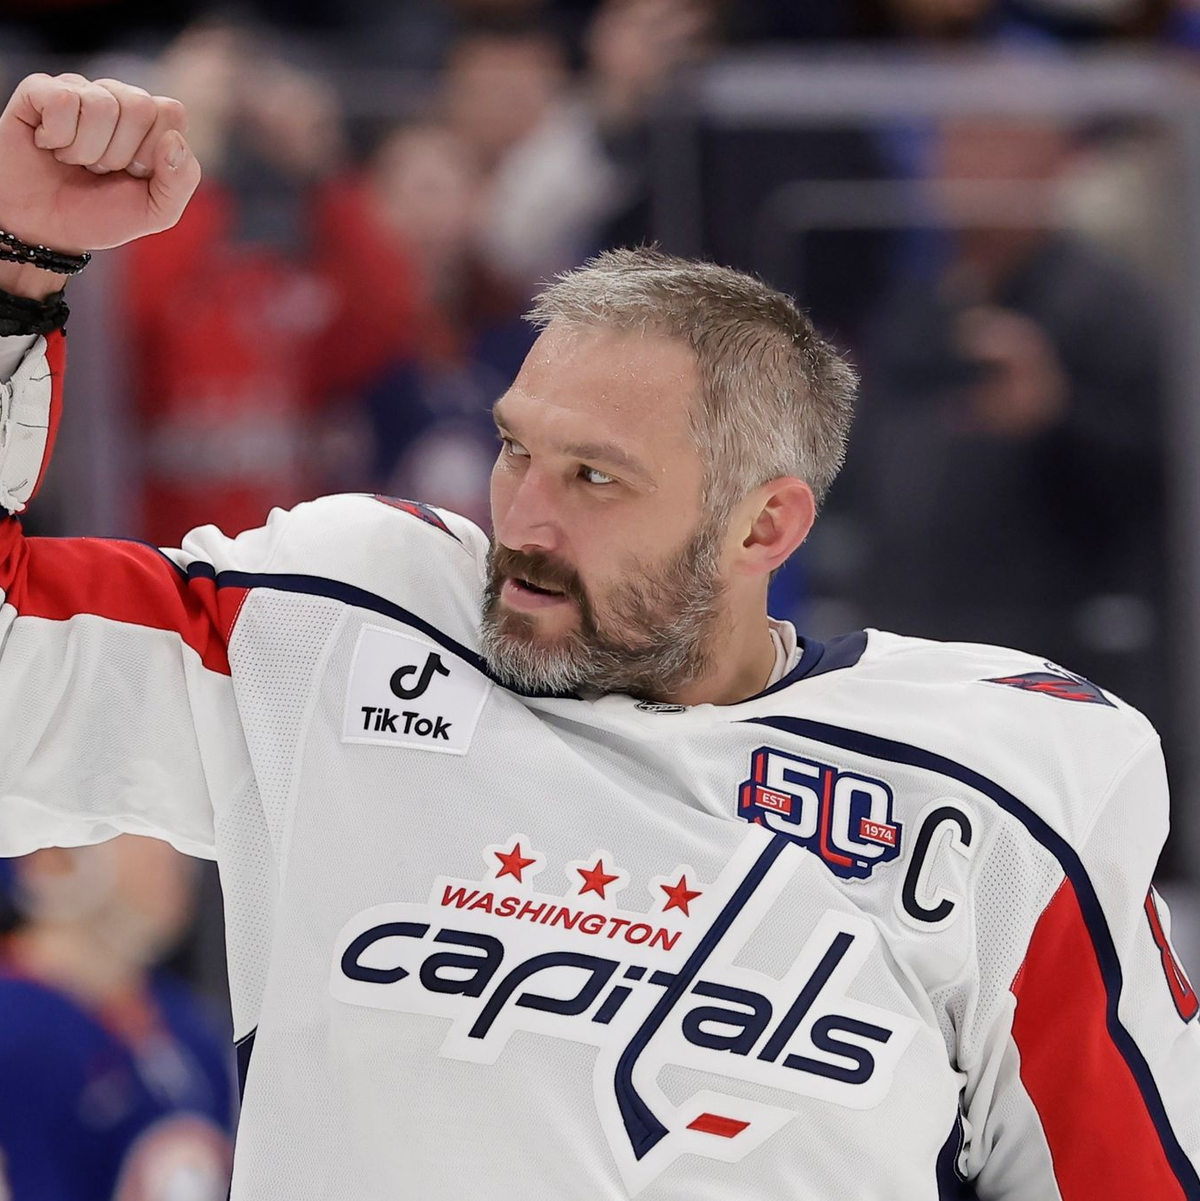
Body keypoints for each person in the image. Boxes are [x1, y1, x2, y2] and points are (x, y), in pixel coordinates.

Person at [0, 72, 1196, 1201]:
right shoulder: (340, 624)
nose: (523, 516)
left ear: (763, 525)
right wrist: (15, 269)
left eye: (595, 478)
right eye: (518, 446)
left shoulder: (1001, 786)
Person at [0, 838, 235, 1199]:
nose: (168, 853)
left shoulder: (194, 1029)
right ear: (51, 858)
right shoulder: (16, 1029)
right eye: (135, 830)